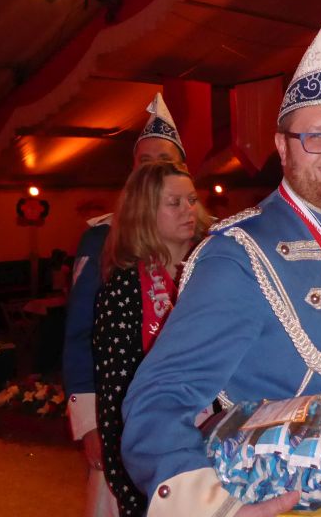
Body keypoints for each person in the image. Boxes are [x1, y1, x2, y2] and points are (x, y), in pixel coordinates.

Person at [121, 25, 321, 517]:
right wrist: (217, 507)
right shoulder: (238, 255)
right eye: (316, 136)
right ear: (283, 146)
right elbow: (157, 403)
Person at [63, 93, 187, 517]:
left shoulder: (204, 241)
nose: (152, 169)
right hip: (119, 416)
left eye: (164, 161)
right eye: (144, 160)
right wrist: (90, 424)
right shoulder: (101, 240)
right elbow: (80, 335)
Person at [93, 161, 203, 517]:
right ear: (144, 212)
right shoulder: (123, 288)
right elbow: (115, 391)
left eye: (192, 200)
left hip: (218, 443)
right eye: (174, 202)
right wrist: (127, 480)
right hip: (157, 449)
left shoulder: (216, 269)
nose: (189, 210)